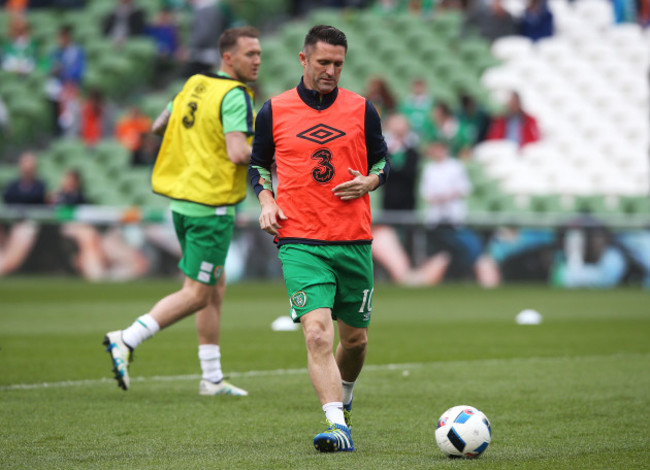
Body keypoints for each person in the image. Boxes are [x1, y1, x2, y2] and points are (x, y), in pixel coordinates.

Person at [248, 25, 390, 452]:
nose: (331, 71)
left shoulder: (363, 109)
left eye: (338, 64)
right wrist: (266, 200)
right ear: (303, 59)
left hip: (352, 239)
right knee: (316, 333)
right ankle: (336, 426)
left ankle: (344, 398)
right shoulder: (274, 111)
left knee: (356, 341)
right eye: (324, 62)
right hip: (299, 240)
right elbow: (256, 166)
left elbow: (384, 161)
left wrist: (370, 181)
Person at [103, 26, 261, 396]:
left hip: (182, 203)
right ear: (228, 58)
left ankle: (212, 377)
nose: (257, 60)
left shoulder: (194, 84)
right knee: (197, 293)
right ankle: (126, 338)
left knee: (214, 287)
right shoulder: (235, 95)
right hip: (211, 208)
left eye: (258, 54)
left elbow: (159, 124)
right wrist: (277, 156)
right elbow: (238, 152)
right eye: (249, 54)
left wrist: (195, 148)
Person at [415, 140, 500, 287]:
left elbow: (463, 188)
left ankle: (487, 282)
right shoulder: (429, 168)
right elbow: (426, 194)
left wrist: (446, 196)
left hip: (455, 221)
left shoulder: (455, 166)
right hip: (436, 222)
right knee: (441, 257)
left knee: (473, 251)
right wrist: (440, 197)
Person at [371, 113, 420, 284]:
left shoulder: (412, 151)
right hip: (388, 206)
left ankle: (406, 273)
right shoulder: (384, 150)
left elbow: (408, 174)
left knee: (407, 242)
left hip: (407, 206)